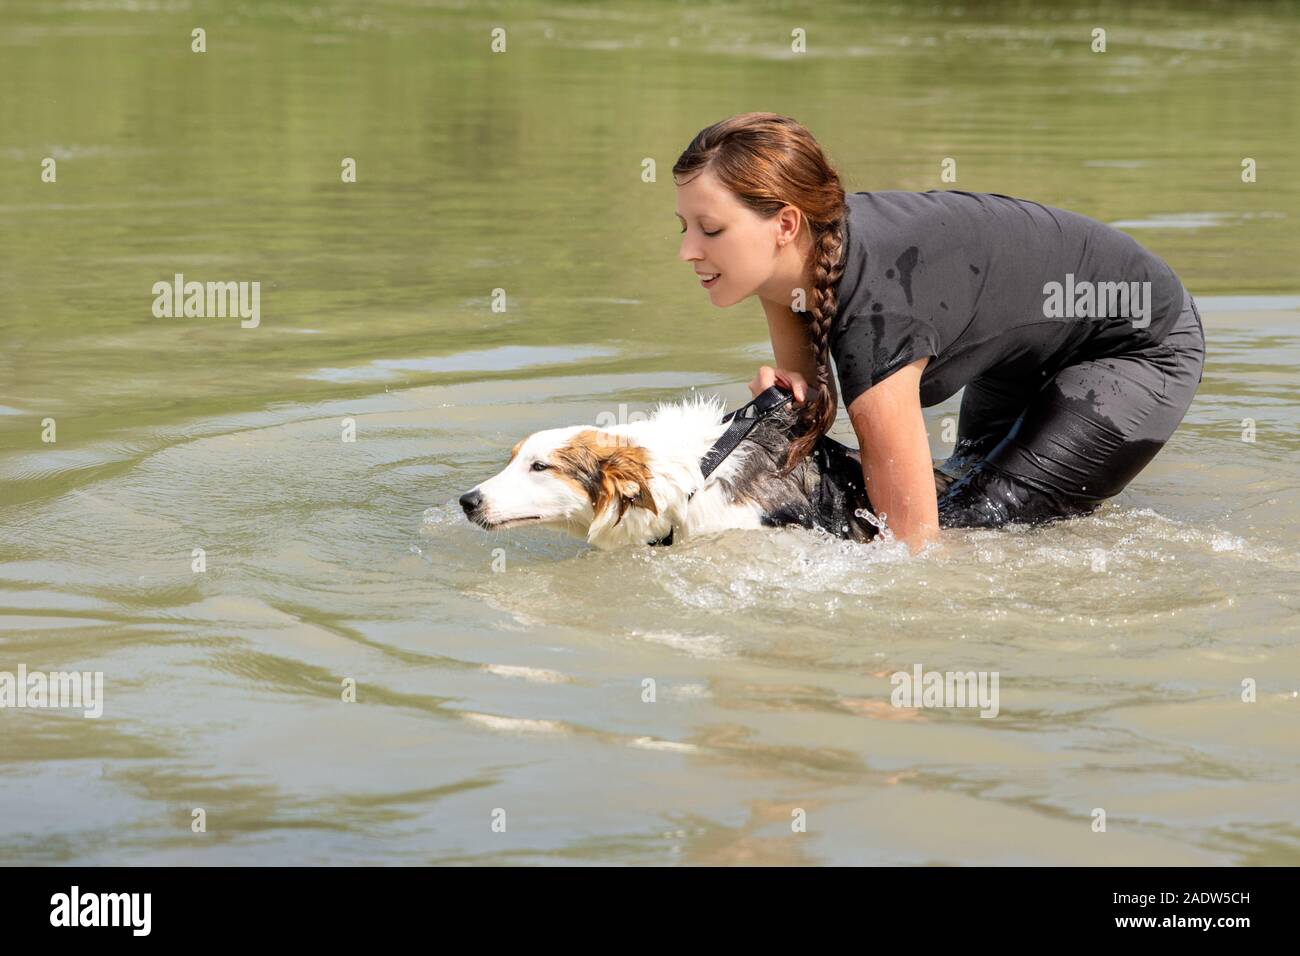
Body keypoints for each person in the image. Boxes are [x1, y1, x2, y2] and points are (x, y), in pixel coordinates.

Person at [672, 112, 1205, 553]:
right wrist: (790, 404)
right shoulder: (790, 268)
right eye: (685, 227)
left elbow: (914, 544)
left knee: (972, 527)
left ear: (786, 224)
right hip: (1030, 352)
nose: (688, 251)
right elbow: (814, 413)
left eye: (711, 229)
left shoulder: (877, 318)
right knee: (961, 488)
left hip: (1140, 342)